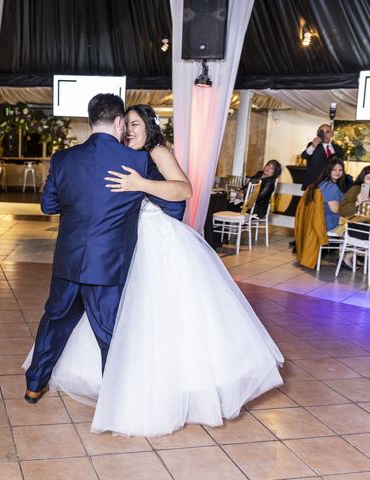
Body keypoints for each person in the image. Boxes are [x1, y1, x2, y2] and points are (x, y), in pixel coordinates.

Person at [23, 103, 284, 437]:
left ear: (146, 125)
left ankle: (119, 393)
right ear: (117, 124)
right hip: (116, 252)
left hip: (147, 243)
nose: (130, 130)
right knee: (109, 326)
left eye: (135, 124)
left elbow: (183, 192)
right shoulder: (120, 155)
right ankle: (108, 390)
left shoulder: (150, 154)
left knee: (136, 319)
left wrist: (140, 184)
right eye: (127, 124)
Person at [23, 94, 188, 405]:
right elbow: (175, 204)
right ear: (118, 122)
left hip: (68, 262)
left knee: (54, 321)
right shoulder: (138, 163)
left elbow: (48, 205)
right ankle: (115, 400)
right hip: (108, 266)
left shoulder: (63, 159)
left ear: (90, 121)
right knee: (110, 334)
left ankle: (34, 386)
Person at [301, 123, 344, 190]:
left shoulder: (338, 149)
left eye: (327, 132)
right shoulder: (313, 146)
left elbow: (340, 166)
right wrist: (313, 146)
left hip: (331, 185)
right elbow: (304, 156)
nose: (324, 135)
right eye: (322, 132)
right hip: (314, 184)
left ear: (331, 134)